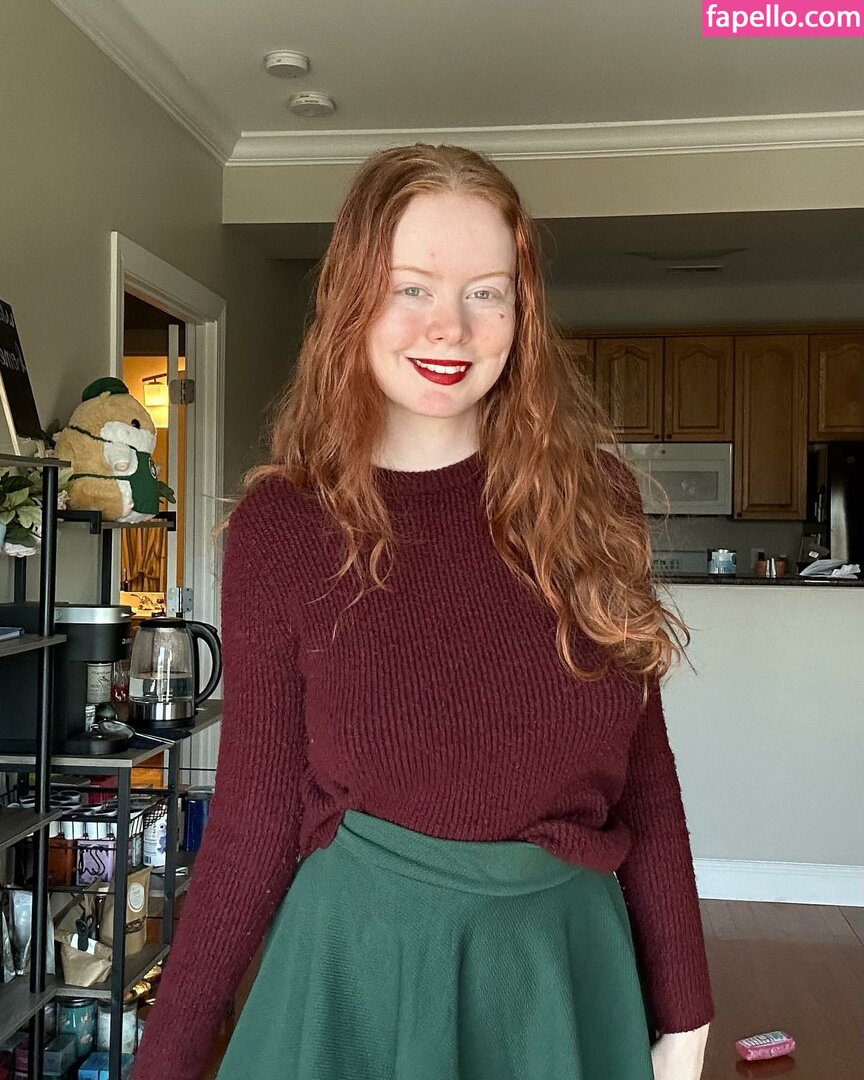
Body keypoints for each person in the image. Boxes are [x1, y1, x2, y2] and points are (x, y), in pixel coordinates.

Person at [133, 143, 714, 1080]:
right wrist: (165, 1064)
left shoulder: (595, 499)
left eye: (487, 292)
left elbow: (644, 774)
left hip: (562, 977)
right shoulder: (285, 527)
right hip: (359, 981)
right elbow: (252, 821)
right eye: (412, 287)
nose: (451, 327)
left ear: (522, 312)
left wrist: (685, 1019)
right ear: (352, 298)